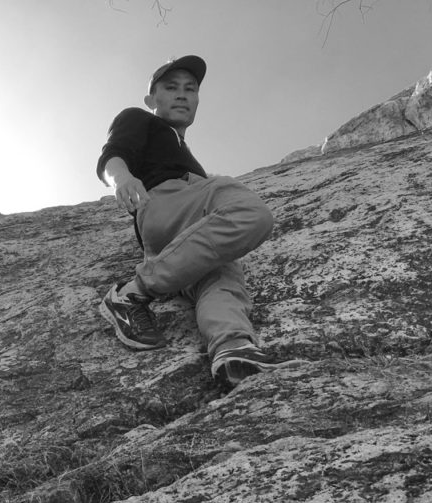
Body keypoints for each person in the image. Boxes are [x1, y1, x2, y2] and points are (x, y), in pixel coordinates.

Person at [96, 54, 300, 389]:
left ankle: (233, 351)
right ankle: (134, 291)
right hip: (166, 201)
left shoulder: (181, 147)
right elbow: (112, 153)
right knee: (250, 212)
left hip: (173, 241)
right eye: (171, 87)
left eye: (190, 89)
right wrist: (121, 179)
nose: (182, 94)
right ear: (152, 100)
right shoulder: (140, 118)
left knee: (220, 277)